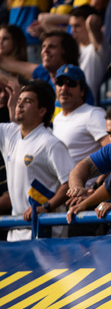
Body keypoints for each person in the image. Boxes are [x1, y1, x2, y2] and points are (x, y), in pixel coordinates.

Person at [0, 80, 74, 241]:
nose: (20, 105)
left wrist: (47, 206)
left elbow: (70, 183)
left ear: (42, 111)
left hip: (46, 232)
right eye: (19, 100)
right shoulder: (8, 133)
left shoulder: (51, 144)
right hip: (17, 229)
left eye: (27, 101)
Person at [68, 5, 111, 103]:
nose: (72, 31)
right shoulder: (73, 48)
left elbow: (93, 23)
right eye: (71, 26)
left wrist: (91, 23)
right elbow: (44, 20)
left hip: (88, 105)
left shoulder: (99, 47)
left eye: (77, 26)